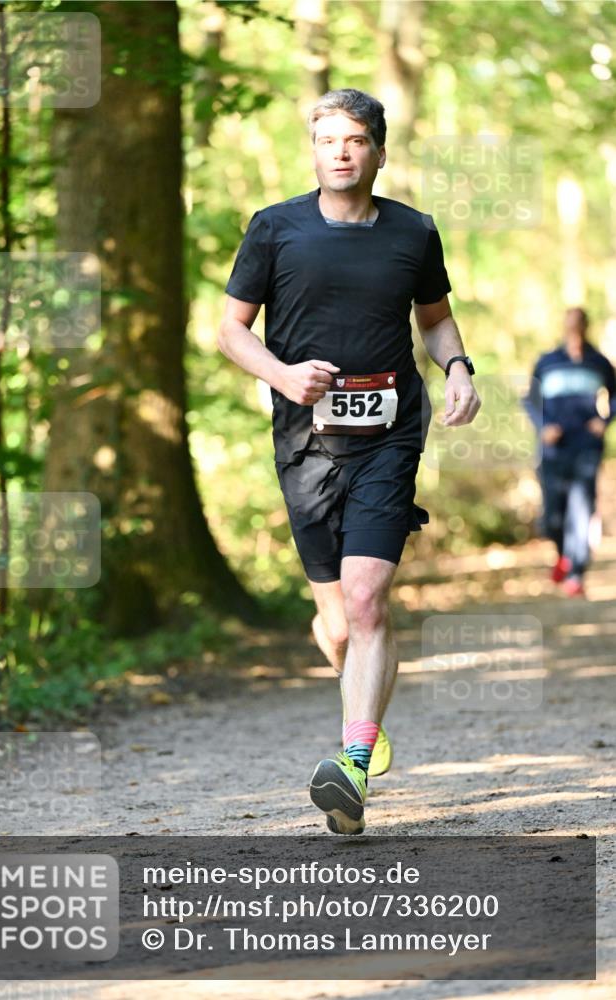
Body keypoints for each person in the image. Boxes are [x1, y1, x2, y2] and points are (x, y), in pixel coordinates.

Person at [218, 88, 480, 835]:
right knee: (333, 621)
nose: (339, 150)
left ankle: (353, 764)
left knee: (367, 602)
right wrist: (282, 376)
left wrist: (457, 367)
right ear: (313, 149)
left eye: (354, 139)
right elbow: (230, 331)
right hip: (305, 440)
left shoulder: (412, 232)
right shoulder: (274, 229)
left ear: (378, 150)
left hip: (390, 432)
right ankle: (361, 711)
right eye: (326, 139)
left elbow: (433, 320)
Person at [523, 307, 616, 597]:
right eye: (570, 325)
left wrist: (603, 420)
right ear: (564, 327)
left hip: (586, 446)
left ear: (586, 327)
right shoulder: (547, 362)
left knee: (581, 507)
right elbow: (529, 400)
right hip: (552, 448)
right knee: (552, 514)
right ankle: (563, 553)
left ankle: (576, 572)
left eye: (579, 325)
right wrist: (544, 425)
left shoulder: (598, 362)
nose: (574, 330)